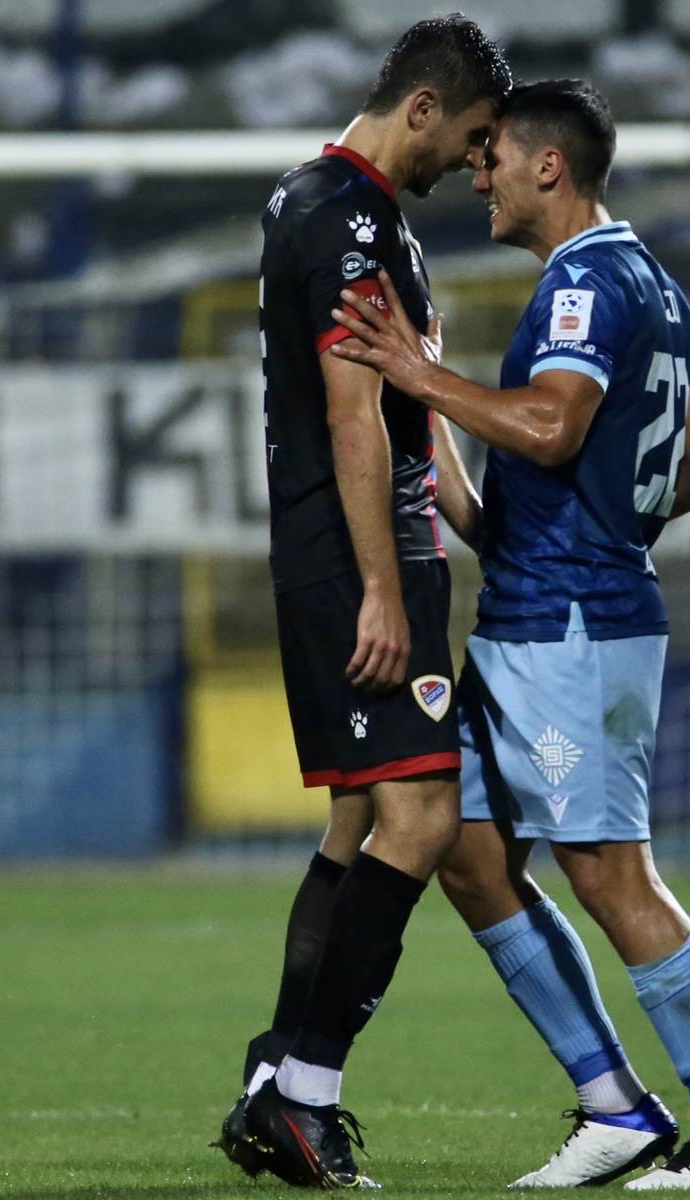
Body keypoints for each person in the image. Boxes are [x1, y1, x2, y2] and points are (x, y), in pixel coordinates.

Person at [327, 79, 690, 1189]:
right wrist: (526, 496)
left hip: (572, 634)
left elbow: (549, 422)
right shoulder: (652, 282)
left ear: (548, 168)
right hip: (544, 612)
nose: (476, 174)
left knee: (606, 870)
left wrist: (422, 374)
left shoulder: (584, 281)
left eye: (493, 159)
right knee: (470, 854)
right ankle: (615, 1104)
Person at [213, 13, 509, 1190]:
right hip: (354, 556)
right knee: (423, 821)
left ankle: (273, 1075)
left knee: (357, 823)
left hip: (379, 548)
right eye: (474, 139)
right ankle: (304, 1094)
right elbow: (349, 418)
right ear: (422, 110)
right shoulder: (342, 217)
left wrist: (485, 531)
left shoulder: (359, 214)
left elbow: (408, 414)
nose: (476, 165)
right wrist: (382, 590)